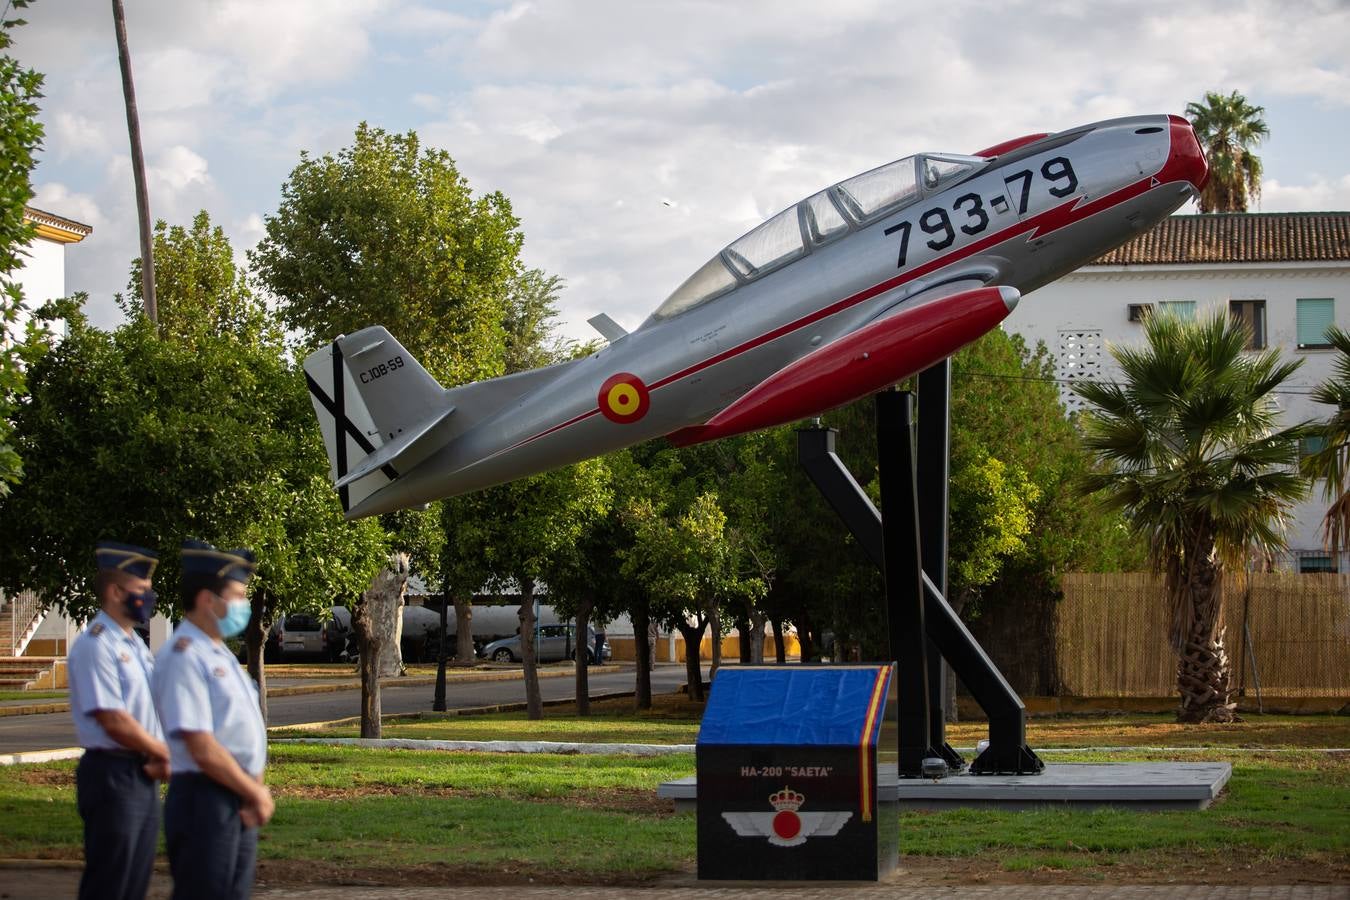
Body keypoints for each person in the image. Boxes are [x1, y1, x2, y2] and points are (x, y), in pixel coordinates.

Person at [152, 540, 271, 900]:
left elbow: (241, 733)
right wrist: (255, 792)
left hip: (233, 795)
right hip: (204, 799)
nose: (243, 605)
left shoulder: (216, 652)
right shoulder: (183, 656)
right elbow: (201, 745)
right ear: (208, 599)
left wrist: (251, 789)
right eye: (236, 595)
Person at [66, 540, 170, 900]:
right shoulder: (97, 644)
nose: (150, 596)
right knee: (111, 883)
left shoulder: (133, 644)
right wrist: (163, 752)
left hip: (141, 773)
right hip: (112, 774)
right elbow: (113, 719)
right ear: (115, 591)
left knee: (134, 881)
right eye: (142, 589)